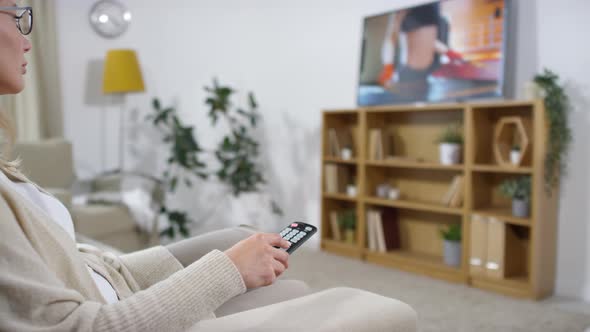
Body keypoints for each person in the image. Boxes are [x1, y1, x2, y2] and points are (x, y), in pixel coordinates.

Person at [0, 3, 311, 330]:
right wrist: (228, 269)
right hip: (110, 311)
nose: (27, 40)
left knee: (245, 237)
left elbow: (72, 265)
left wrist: (229, 262)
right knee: (303, 294)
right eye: (15, 17)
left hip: (106, 278)